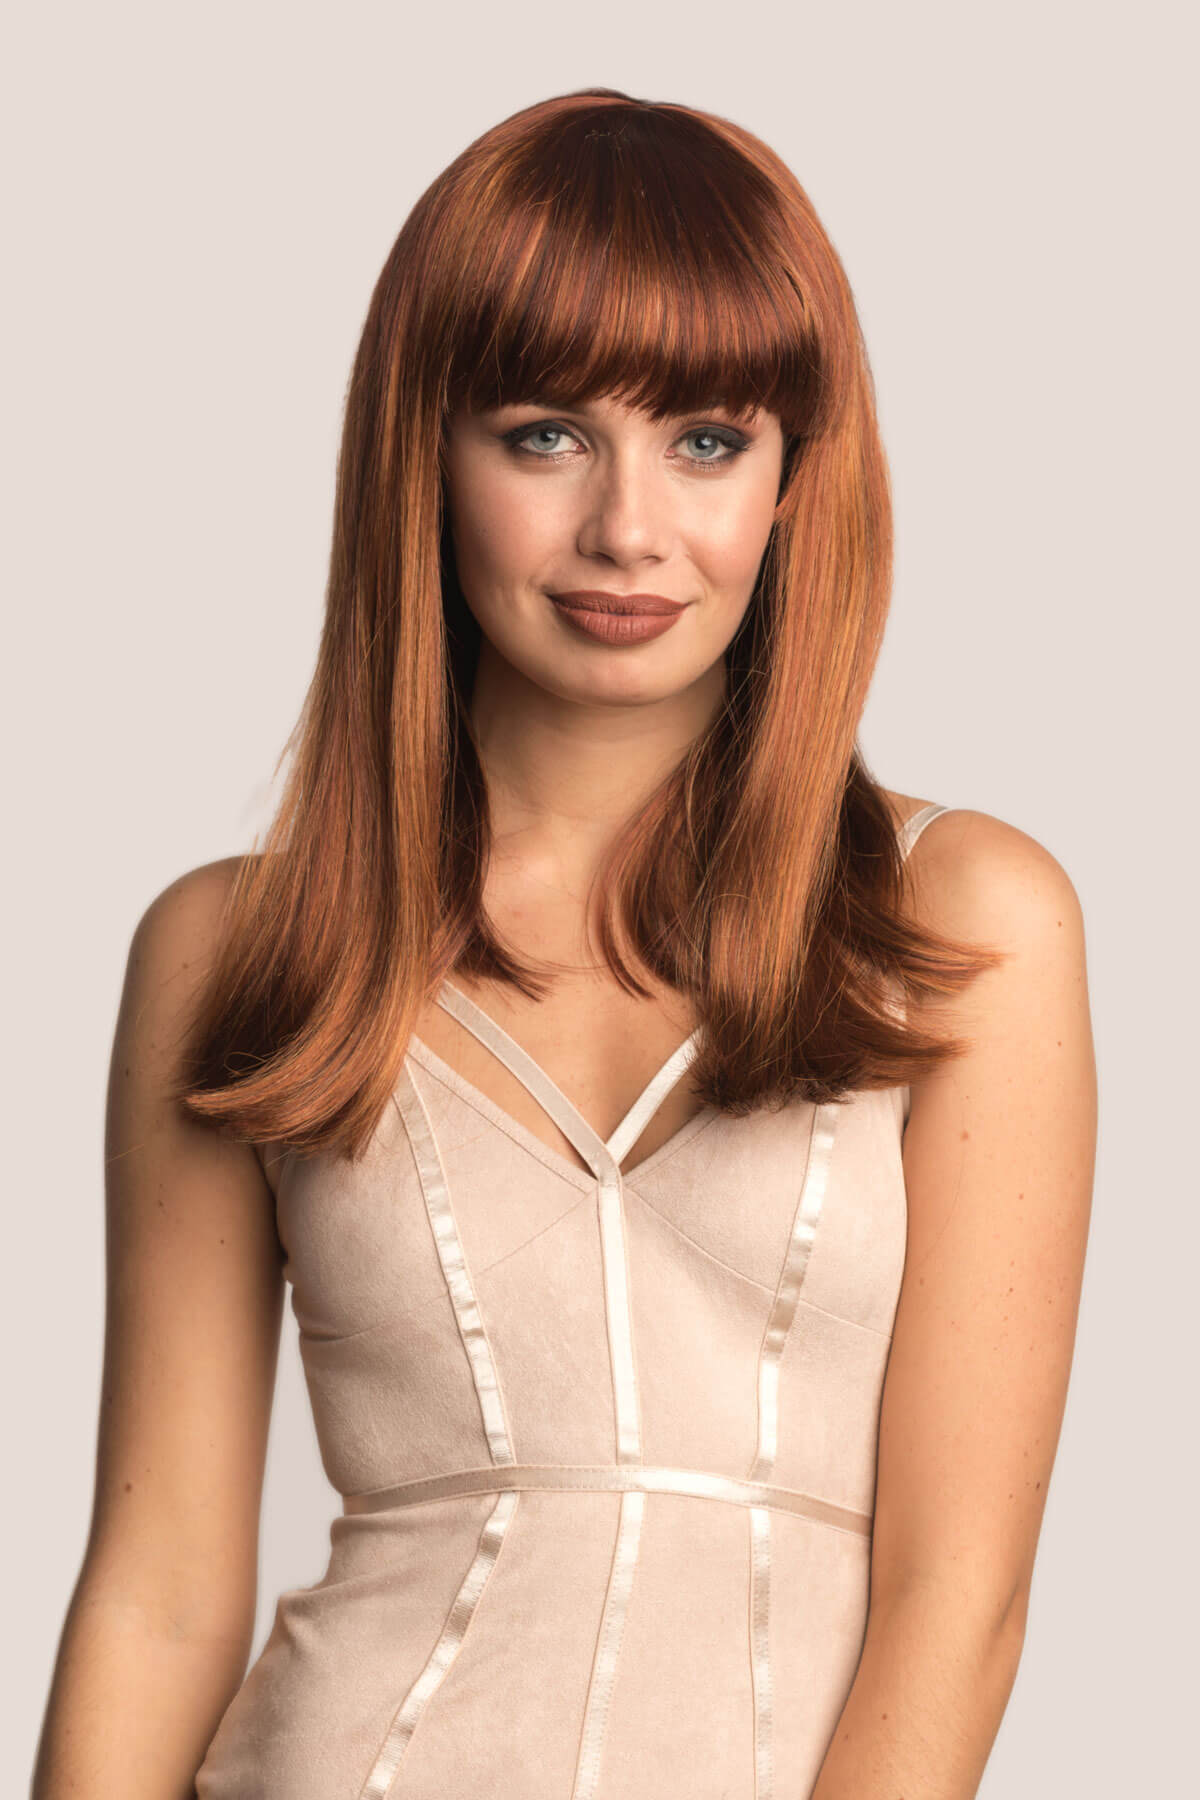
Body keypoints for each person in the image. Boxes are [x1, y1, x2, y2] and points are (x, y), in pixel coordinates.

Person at [32, 87, 1096, 1800]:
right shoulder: (239, 948)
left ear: (795, 478)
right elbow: (155, 1606)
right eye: (543, 434)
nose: (627, 529)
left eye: (706, 438)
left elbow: (957, 1599)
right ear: (424, 455)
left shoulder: (963, 924)